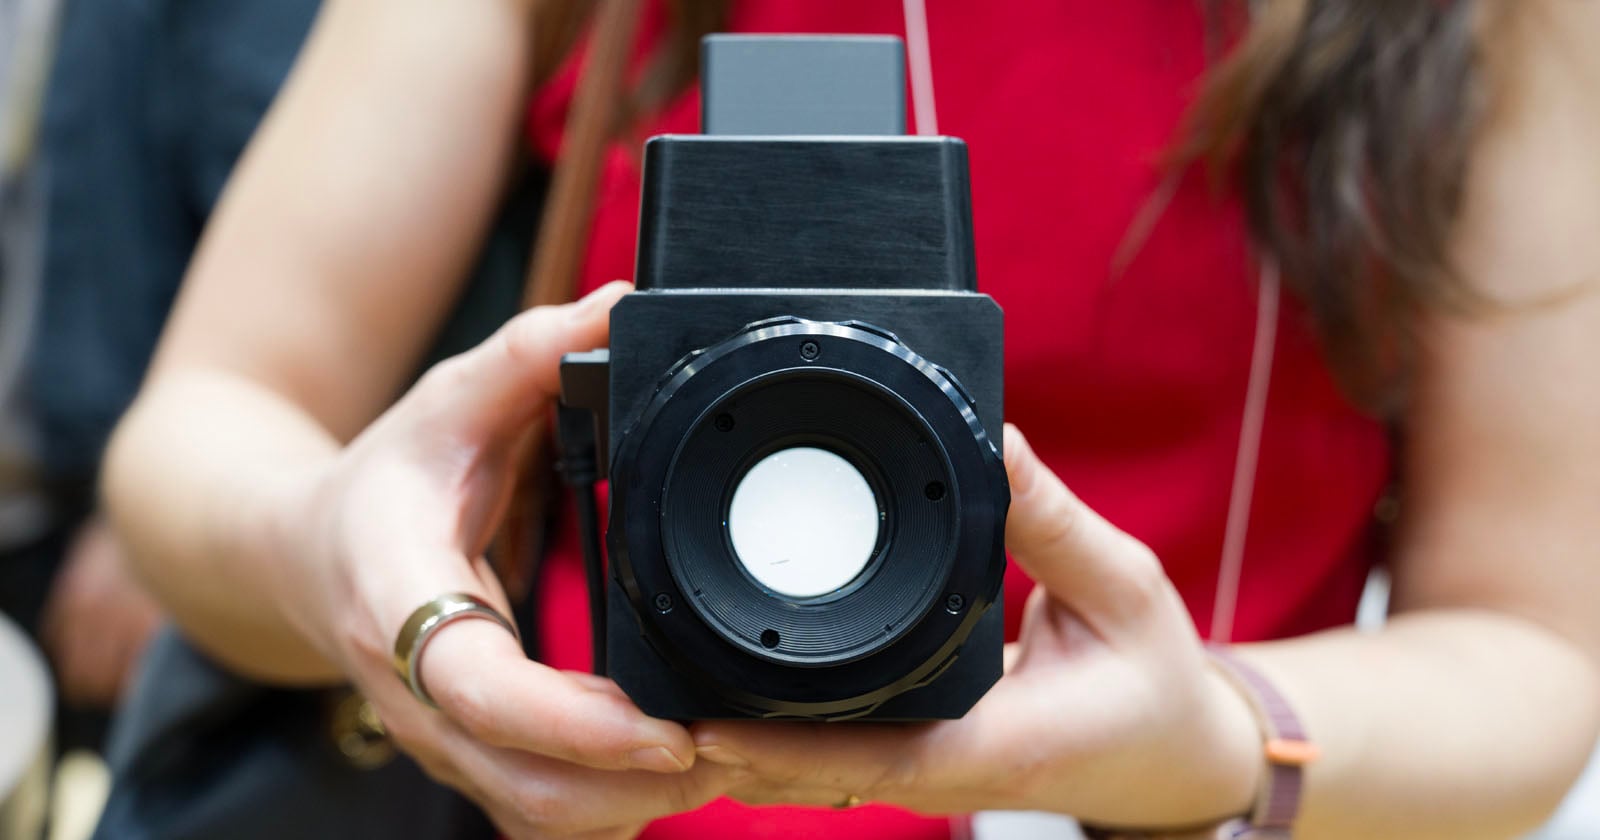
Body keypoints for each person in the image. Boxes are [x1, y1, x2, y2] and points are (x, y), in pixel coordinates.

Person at [101, 1, 1600, 838]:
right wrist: (365, 575)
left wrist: (1221, 742)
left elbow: (1535, 651)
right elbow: (207, 424)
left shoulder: (1485, 28)